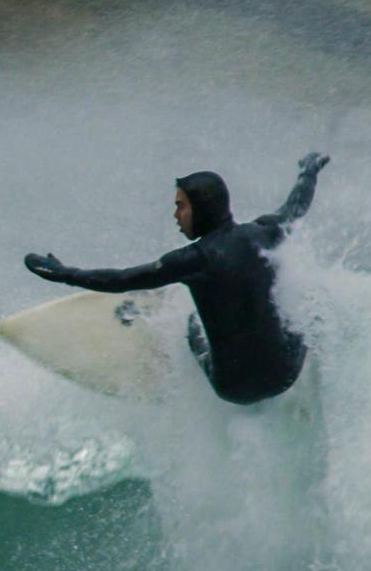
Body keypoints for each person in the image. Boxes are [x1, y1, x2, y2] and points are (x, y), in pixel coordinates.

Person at [22, 153, 329, 405]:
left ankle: (155, 333)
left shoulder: (193, 260)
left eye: (181, 206)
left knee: (194, 324)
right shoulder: (264, 233)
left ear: (202, 209)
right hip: (285, 375)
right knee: (308, 310)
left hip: (235, 389)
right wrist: (308, 172)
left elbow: (123, 280)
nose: (176, 215)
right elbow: (295, 208)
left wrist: (65, 274)